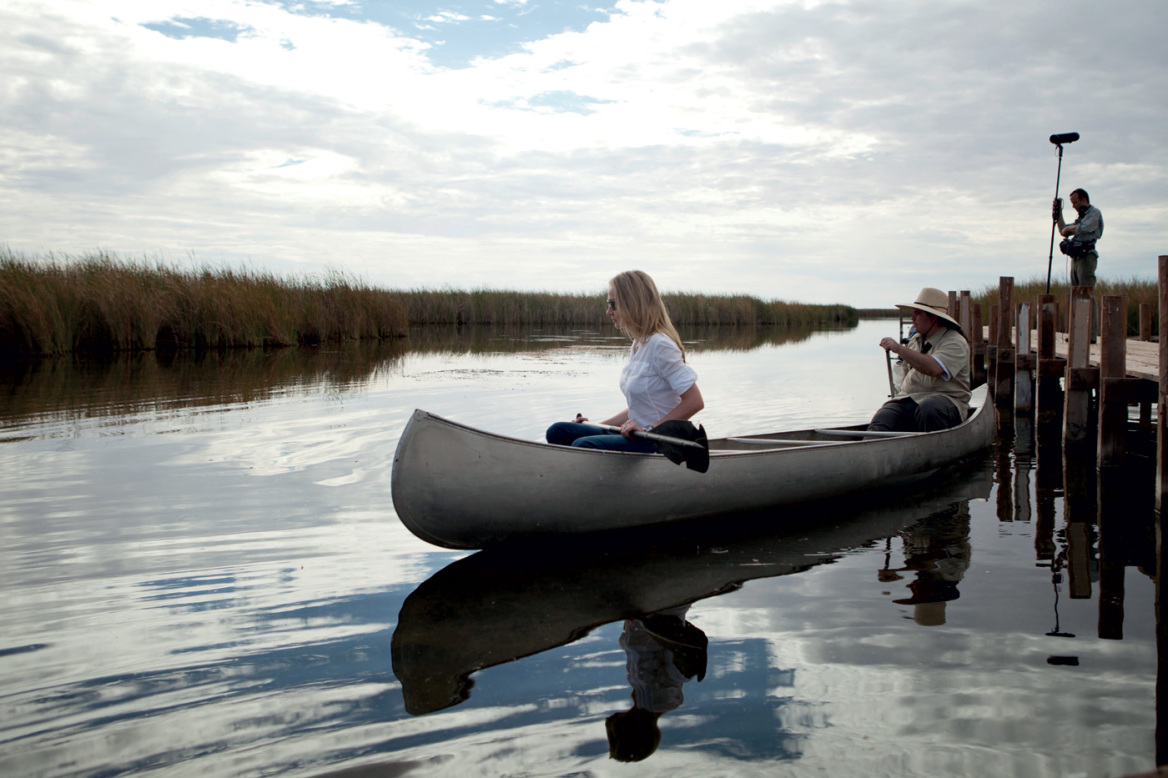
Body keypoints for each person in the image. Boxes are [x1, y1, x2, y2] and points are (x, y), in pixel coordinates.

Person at [546, 270, 704, 451]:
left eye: (613, 305)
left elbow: (694, 402)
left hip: (660, 439)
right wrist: (595, 426)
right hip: (637, 435)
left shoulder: (661, 345)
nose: (608, 312)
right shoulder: (638, 344)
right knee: (558, 431)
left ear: (632, 304)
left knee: (583, 444)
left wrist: (651, 430)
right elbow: (638, 409)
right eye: (608, 304)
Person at [868, 287, 970, 433]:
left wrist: (899, 349)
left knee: (929, 408)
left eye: (917, 314)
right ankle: (871, 444)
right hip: (911, 399)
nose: (912, 319)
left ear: (933, 317)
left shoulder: (955, 342)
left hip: (947, 400)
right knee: (884, 415)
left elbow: (934, 368)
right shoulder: (915, 340)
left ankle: (934, 445)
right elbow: (905, 375)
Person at [1054, 188, 1104, 288]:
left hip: (1087, 256)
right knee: (1075, 291)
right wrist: (1058, 211)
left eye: (1075, 203)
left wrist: (1068, 229)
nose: (1073, 206)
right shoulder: (1081, 218)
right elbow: (1063, 231)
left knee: (1085, 291)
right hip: (1076, 257)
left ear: (1084, 200)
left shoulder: (1095, 213)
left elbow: (1085, 228)